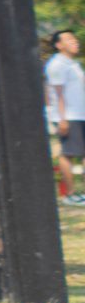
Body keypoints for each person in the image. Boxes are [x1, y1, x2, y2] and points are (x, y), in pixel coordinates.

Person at [47, 31, 85, 205]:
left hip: (80, 113)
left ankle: (79, 193)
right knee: (68, 153)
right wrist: (62, 119)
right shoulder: (57, 65)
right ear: (59, 45)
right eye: (69, 40)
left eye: (74, 39)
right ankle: (69, 194)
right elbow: (57, 94)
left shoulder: (72, 64)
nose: (75, 42)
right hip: (68, 115)